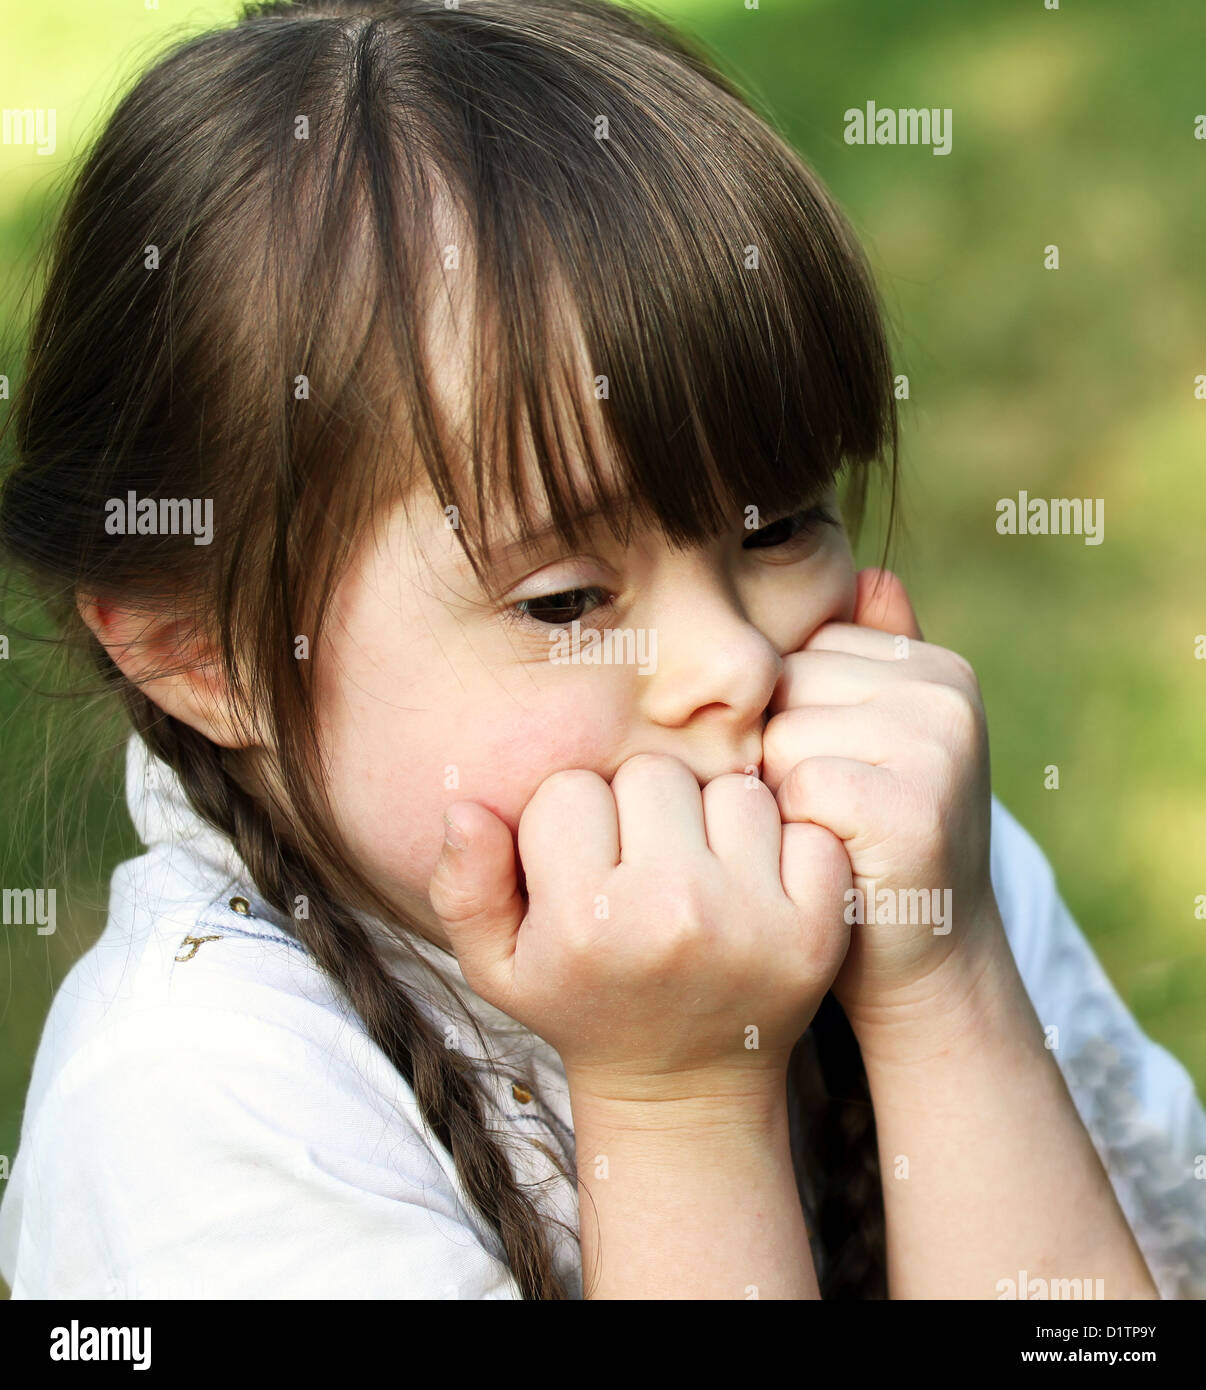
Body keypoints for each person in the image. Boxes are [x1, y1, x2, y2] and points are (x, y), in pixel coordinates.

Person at [0, 0, 1202, 1299]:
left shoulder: (901, 855)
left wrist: (945, 994)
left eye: (781, 522)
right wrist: (676, 1098)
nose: (734, 665)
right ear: (205, 653)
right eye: (566, 601)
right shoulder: (197, 1109)